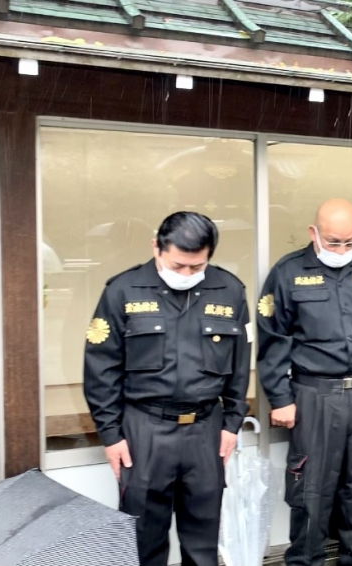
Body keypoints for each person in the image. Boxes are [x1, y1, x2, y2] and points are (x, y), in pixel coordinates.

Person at [83, 212, 249, 566]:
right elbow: (101, 369)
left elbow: (239, 364)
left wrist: (232, 423)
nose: (187, 275)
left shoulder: (230, 290)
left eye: (197, 267)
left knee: (203, 544)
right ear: (156, 247)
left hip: (206, 429)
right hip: (145, 428)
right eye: (178, 265)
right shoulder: (122, 290)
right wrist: (111, 435)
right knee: (144, 540)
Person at [256, 199, 352, 566]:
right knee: (311, 494)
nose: (341, 250)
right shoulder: (288, 272)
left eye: (349, 242)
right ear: (314, 234)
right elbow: (272, 339)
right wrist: (280, 397)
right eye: (333, 241)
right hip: (313, 396)